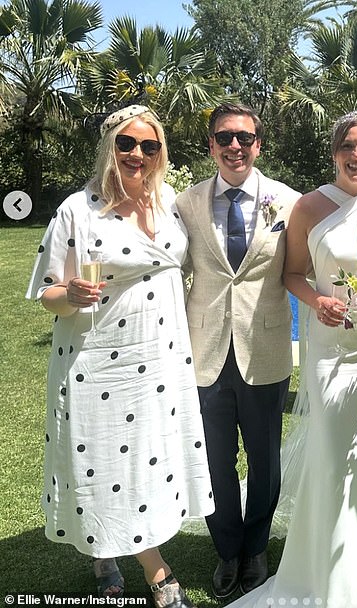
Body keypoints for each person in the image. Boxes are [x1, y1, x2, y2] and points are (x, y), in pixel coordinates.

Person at [221, 110, 357, 608]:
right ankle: (327, 581)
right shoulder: (308, 207)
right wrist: (317, 303)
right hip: (332, 352)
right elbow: (292, 274)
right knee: (333, 459)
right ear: (334, 151)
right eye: (348, 146)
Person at [26, 104, 215, 608]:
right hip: (97, 359)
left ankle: (106, 551)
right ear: (109, 147)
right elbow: (47, 292)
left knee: (146, 462)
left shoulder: (170, 202)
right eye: (127, 144)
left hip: (160, 358)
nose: (137, 154)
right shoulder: (78, 210)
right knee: (105, 459)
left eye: (149, 146)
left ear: (160, 154)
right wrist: (70, 296)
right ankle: (158, 572)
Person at [175, 103, 301, 599]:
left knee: (265, 458)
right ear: (210, 145)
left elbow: (309, 265)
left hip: (264, 348)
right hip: (202, 348)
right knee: (213, 458)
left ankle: (256, 546)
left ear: (258, 145)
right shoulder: (184, 203)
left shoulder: (288, 202)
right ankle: (227, 548)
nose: (235, 146)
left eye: (245, 138)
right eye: (225, 137)